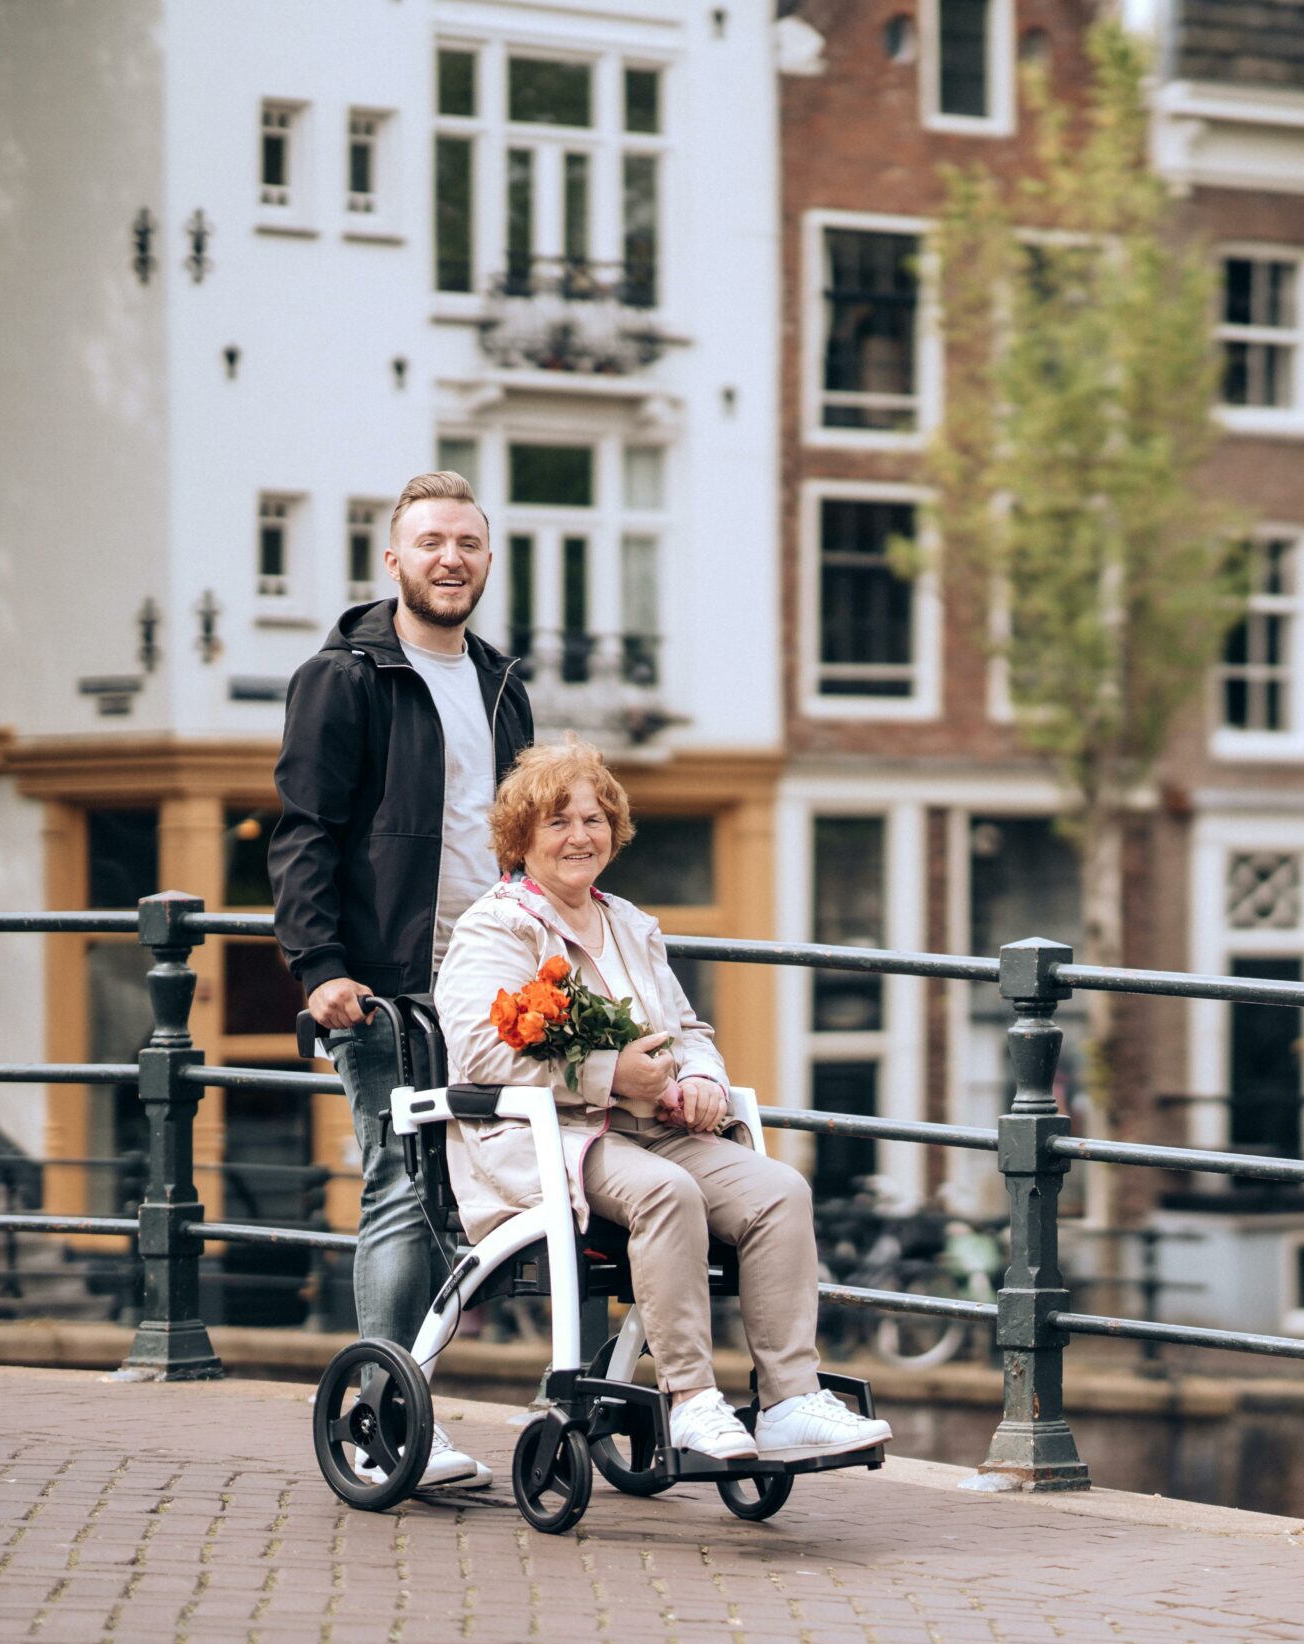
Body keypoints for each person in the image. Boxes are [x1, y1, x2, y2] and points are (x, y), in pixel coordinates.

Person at [435, 740, 892, 1463]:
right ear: (521, 838)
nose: (580, 835)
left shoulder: (630, 925)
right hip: (549, 1137)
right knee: (667, 1192)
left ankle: (788, 1400)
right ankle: (691, 1400)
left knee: (780, 1191)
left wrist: (703, 1078)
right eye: (557, 821)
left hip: (652, 1127)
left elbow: (689, 1032)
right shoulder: (497, 927)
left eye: (593, 817)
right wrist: (611, 1074)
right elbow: (483, 1056)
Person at [270, 470, 533, 1488]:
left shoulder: (502, 683)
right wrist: (321, 967)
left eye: (466, 542)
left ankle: (408, 1411)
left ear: (486, 558)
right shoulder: (346, 677)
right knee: (397, 1183)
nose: (449, 559)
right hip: (383, 982)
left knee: (463, 1204)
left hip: (490, 984)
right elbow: (306, 834)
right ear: (394, 559)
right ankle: (386, 1426)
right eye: (430, 542)